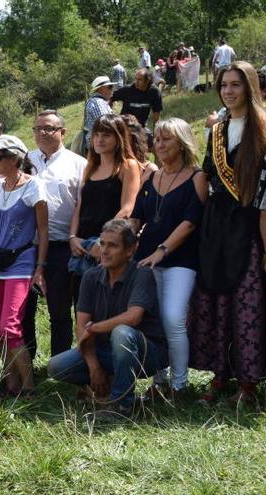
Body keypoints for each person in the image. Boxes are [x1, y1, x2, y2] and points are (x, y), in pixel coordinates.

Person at [188, 61, 266, 404]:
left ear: (249, 87)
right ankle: (220, 377)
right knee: (216, 298)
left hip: (250, 223)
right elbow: (208, 174)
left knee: (246, 300)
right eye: (224, 85)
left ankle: (248, 384)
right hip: (217, 223)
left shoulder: (262, 126)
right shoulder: (217, 130)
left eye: (236, 85)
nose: (229, 91)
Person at [47, 219, 167, 418]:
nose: (104, 251)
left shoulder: (142, 274)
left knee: (121, 333)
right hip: (105, 352)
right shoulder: (91, 277)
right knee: (56, 366)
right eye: (102, 244)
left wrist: (94, 328)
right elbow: (81, 328)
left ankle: (122, 405)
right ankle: (105, 384)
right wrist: (94, 368)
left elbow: (133, 318)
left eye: (113, 245)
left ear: (130, 250)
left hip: (146, 354)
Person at [129, 118, 207, 399]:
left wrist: (160, 252)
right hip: (146, 259)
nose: (159, 145)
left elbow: (190, 223)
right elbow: (136, 219)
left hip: (180, 260)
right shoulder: (151, 177)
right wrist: (117, 243)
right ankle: (159, 380)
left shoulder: (197, 177)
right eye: (157, 140)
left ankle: (179, 385)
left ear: (182, 142)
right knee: (154, 321)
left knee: (173, 319)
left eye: (167, 139)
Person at [0, 136, 48, 397]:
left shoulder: (33, 187)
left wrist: (40, 266)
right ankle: (10, 382)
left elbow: (43, 230)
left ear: (14, 159)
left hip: (20, 263)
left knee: (10, 326)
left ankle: (28, 388)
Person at [27, 110, 87, 356]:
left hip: (61, 245)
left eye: (49, 128)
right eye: (38, 128)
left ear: (63, 132)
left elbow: (82, 206)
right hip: (27, 246)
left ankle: (59, 363)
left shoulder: (78, 164)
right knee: (24, 309)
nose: (43, 132)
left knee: (59, 309)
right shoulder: (25, 160)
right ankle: (26, 361)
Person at [69, 114, 141, 301]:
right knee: (81, 305)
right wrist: (73, 237)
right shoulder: (90, 167)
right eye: (96, 134)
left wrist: (104, 242)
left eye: (106, 135)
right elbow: (80, 205)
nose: (99, 139)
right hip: (83, 244)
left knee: (105, 305)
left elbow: (127, 208)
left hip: (109, 244)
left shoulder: (127, 165)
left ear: (118, 138)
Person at [82, 76, 118, 154]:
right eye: (110, 87)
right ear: (101, 89)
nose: (112, 90)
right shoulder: (98, 102)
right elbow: (106, 124)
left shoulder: (98, 101)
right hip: (99, 146)